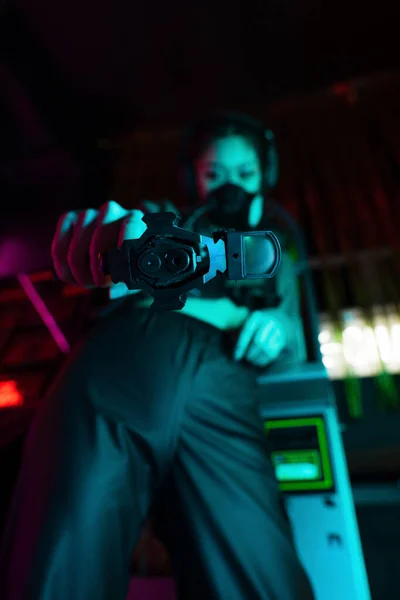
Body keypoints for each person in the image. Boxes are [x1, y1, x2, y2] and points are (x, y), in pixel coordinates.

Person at [0, 113, 314, 600]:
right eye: (214, 173)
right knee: (59, 558)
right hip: (122, 366)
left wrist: (276, 329)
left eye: (244, 173)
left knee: (261, 574)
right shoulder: (167, 220)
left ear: (264, 175)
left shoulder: (275, 253)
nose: (229, 185)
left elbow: (292, 347)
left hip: (223, 392)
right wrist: (109, 246)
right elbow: (121, 266)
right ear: (194, 178)